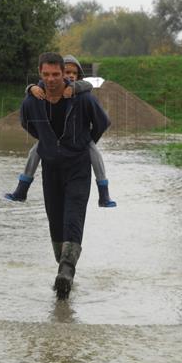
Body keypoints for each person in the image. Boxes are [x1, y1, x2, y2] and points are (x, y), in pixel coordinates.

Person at [18, 52, 111, 299]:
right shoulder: (32, 102)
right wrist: (48, 143)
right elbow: (26, 124)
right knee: (55, 221)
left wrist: (81, 142)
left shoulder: (83, 99)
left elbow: (102, 122)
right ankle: (64, 267)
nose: (51, 79)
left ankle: (67, 271)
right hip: (51, 169)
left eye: (56, 74)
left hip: (78, 167)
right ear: (40, 74)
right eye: (46, 75)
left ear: (64, 74)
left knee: (73, 217)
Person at [4, 54, 116, 208]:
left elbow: (88, 87)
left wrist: (86, 140)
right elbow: (28, 117)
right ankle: (21, 190)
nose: (70, 76)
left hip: (79, 140)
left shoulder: (82, 92)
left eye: (74, 73)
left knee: (95, 154)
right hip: (51, 141)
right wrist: (31, 88)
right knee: (33, 153)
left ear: (78, 75)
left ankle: (104, 194)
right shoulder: (44, 90)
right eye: (67, 72)